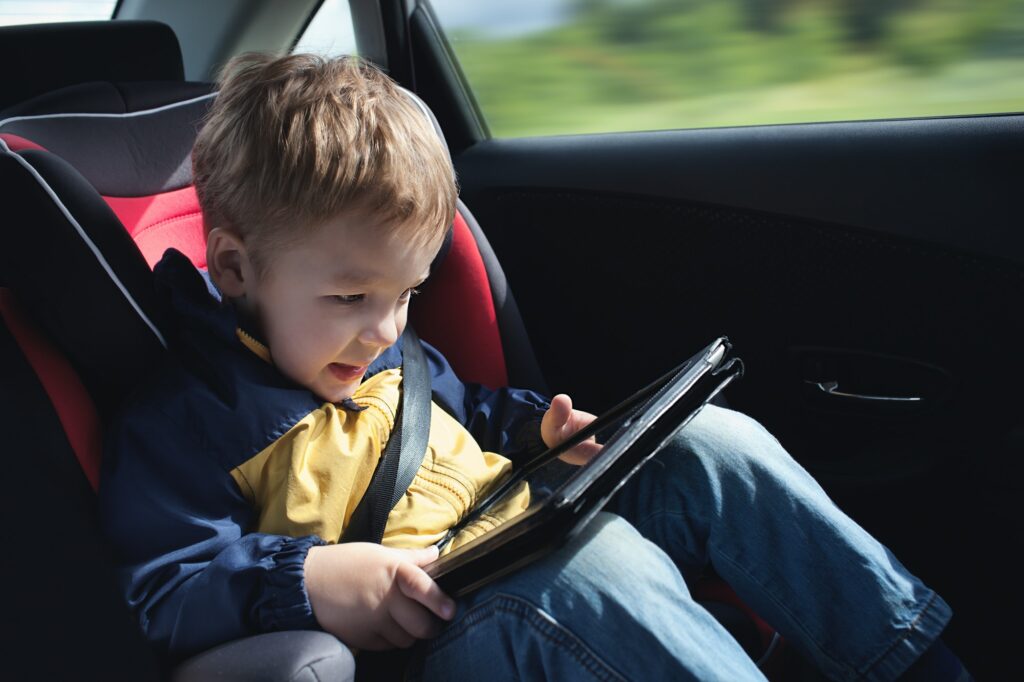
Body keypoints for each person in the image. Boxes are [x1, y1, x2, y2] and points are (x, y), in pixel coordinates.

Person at [98, 53, 970, 682]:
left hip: (523, 524)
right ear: (237, 269)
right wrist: (312, 582)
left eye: (406, 293)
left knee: (713, 442)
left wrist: (534, 429)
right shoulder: (187, 415)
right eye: (350, 299)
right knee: (599, 577)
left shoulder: (389, 352)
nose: (382, 329)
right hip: (439, 626)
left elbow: (469, 409)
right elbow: (165, 588)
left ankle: (912, 662)